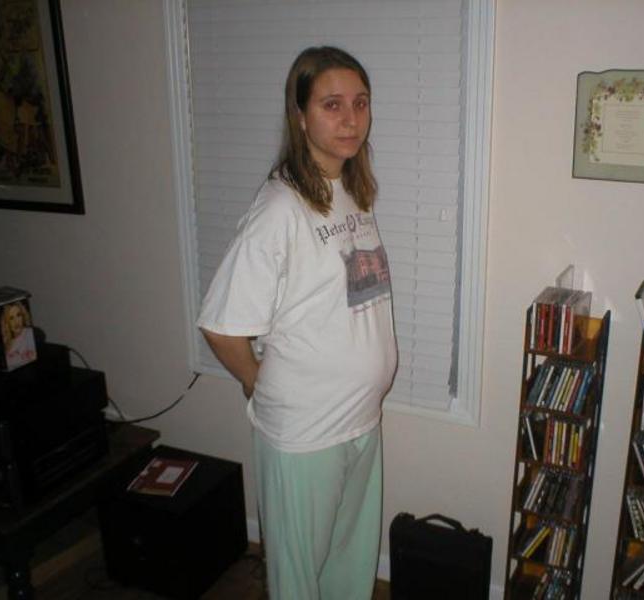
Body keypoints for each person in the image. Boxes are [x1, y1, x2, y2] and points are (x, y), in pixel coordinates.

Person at [196, 46, 397, 600]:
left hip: (360, 420)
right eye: (332, 105)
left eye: (360, 102)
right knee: (298, 580)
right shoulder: (279, 209)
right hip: (306, 432)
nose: (351, 118)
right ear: (301, 115)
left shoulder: (352, 191)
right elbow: (221, 325)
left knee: (349, 569)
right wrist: (256, 380)